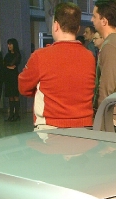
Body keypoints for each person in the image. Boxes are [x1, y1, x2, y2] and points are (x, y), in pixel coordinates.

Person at [19, 2, 96, 130]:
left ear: (55, 25)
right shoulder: (90, 57)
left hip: (49, 129)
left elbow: (23, 88)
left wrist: (46, 90)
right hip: (85, 127)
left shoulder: (40, 56)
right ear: (78, 29)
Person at [4, 38, 22, 121]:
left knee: (15, 95)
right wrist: (8, 66)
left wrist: (7, 65)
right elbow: (4, 64)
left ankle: (17, 114)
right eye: (8, 44)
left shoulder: (17, 54)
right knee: (10, 96)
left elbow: (13, 64)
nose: (9, 46)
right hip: (8, 77)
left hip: (14, 76)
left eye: (10, 44)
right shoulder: (7, 55)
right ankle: (11, 114)